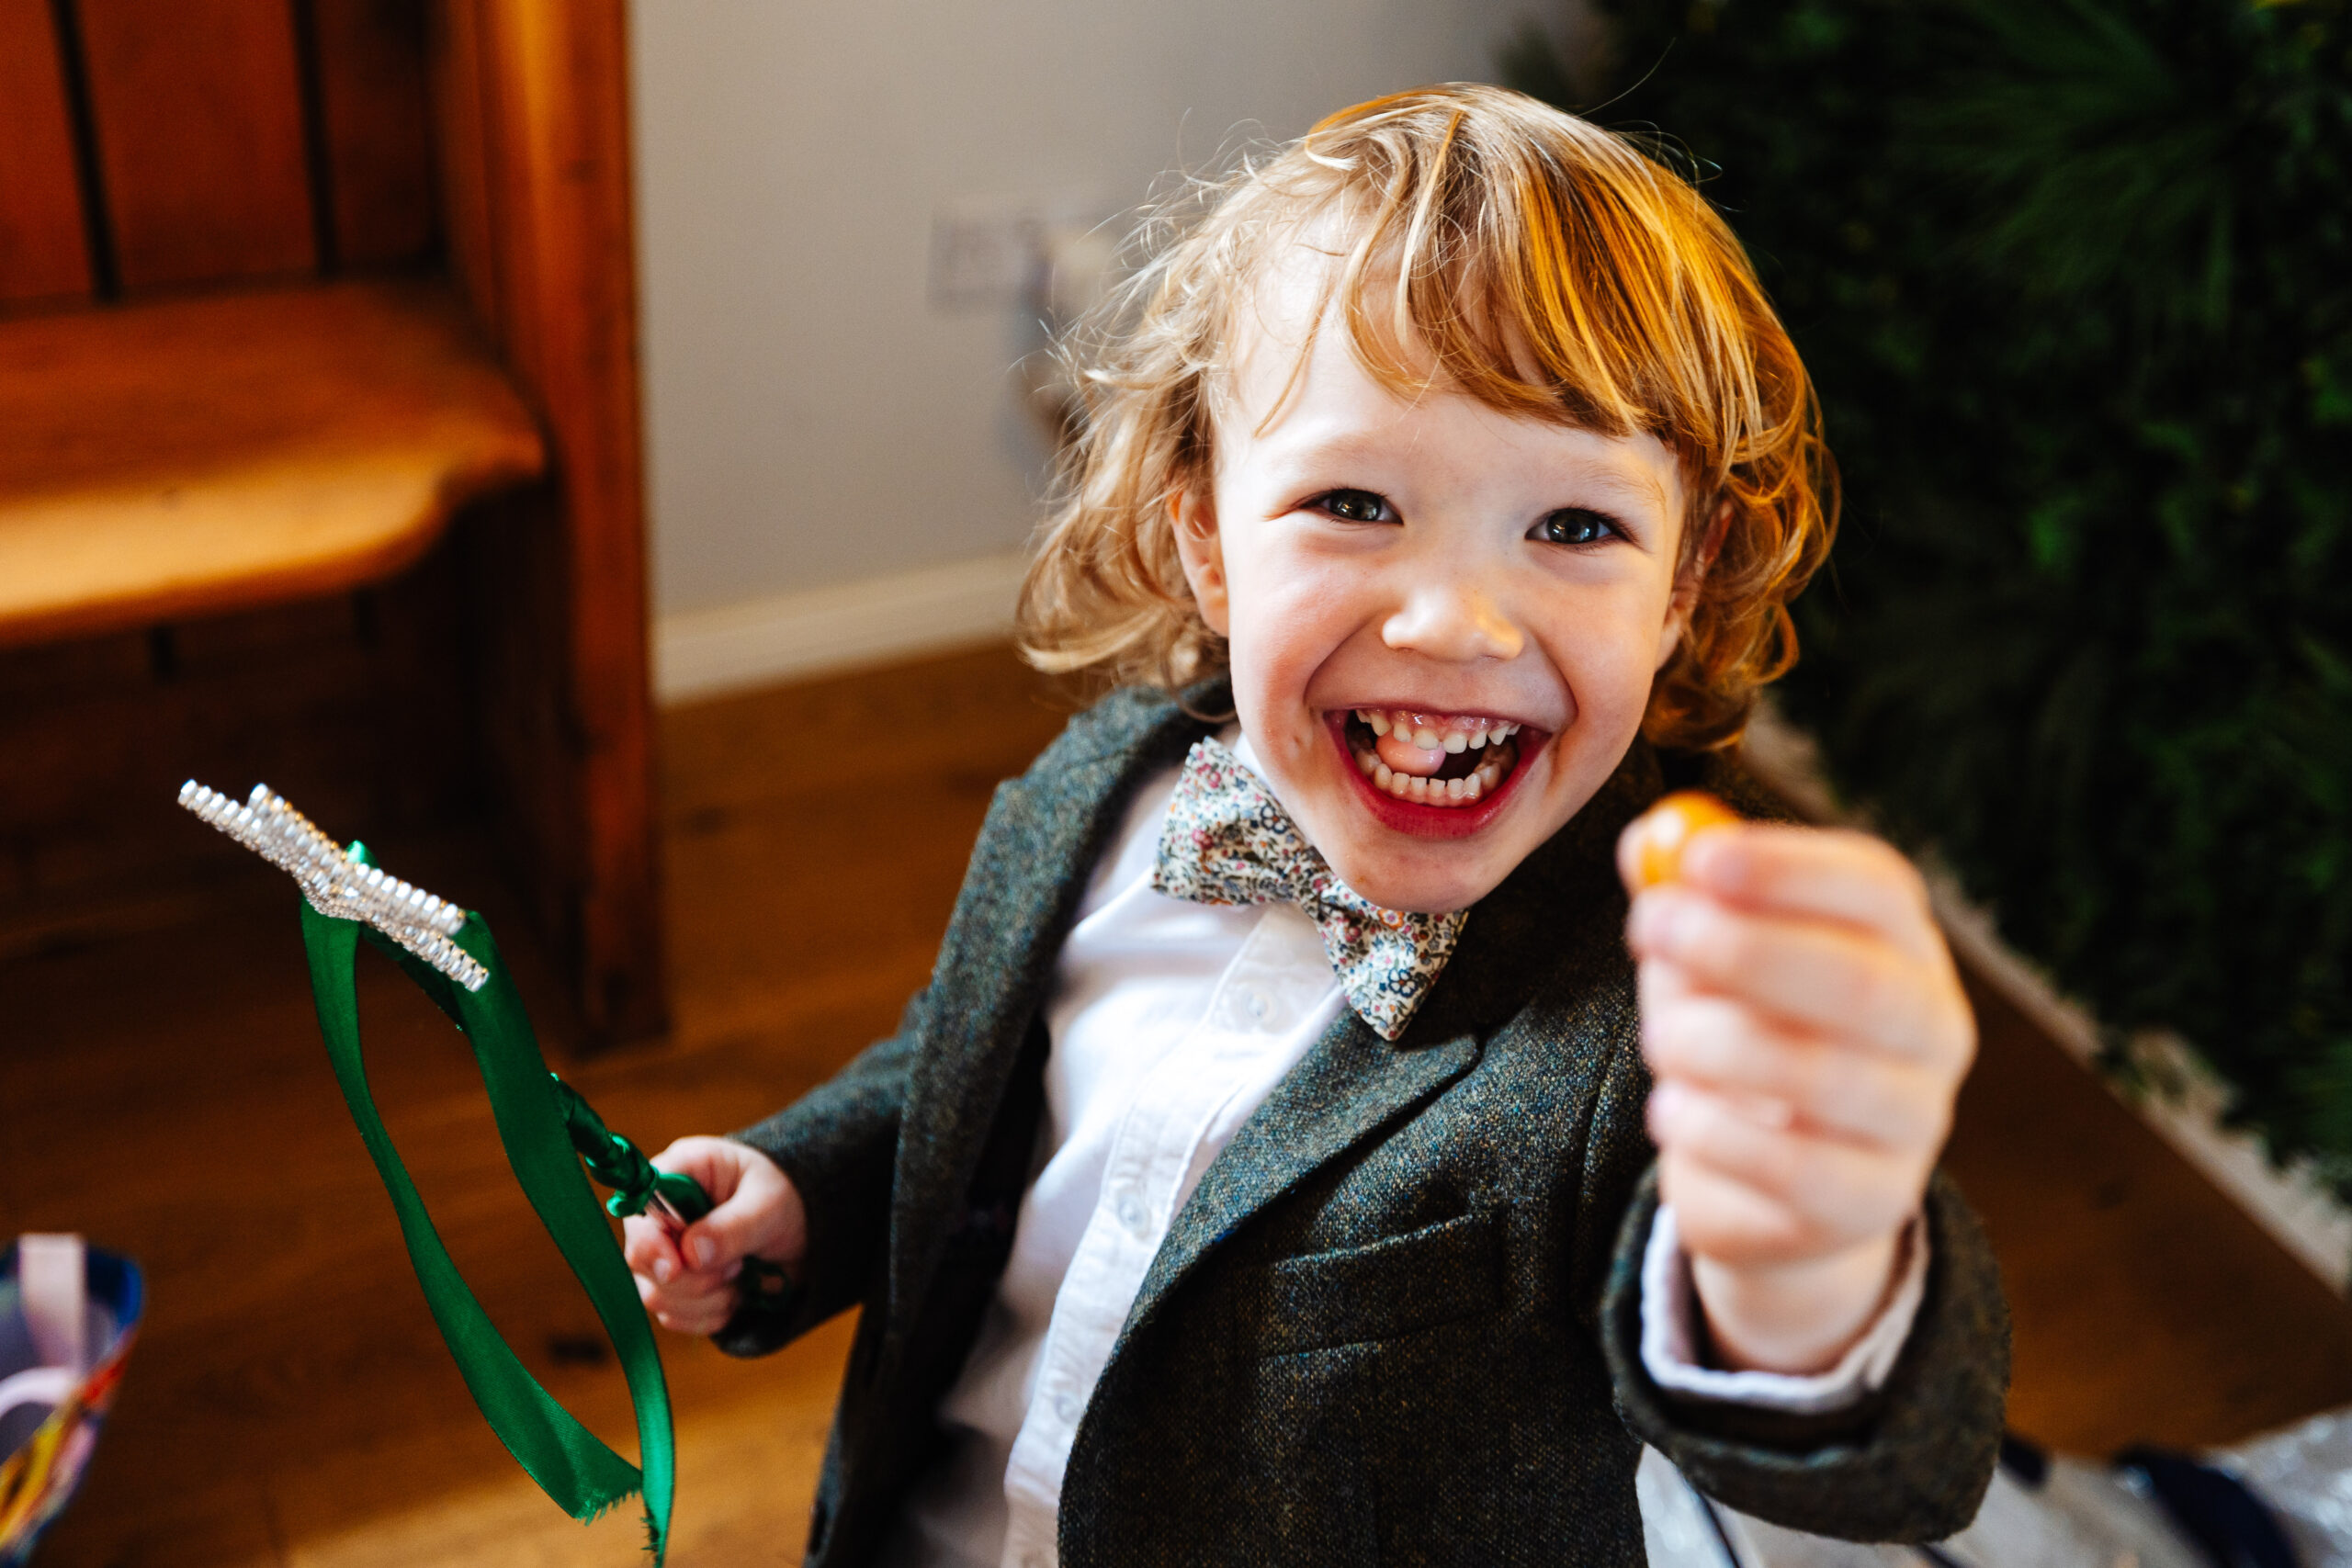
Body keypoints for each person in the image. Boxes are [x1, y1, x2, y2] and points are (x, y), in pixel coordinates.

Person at [624, 85, 2007, 1568]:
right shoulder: (1104, 791)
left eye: (1575, 528)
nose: (1453, 622)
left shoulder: (1640, 1021)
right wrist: (809, 1190)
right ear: (1205, 534)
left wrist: (1813, 1275)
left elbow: (1893, 1466)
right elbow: (975, 1068)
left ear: (1684, 581)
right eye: (1355, 502)